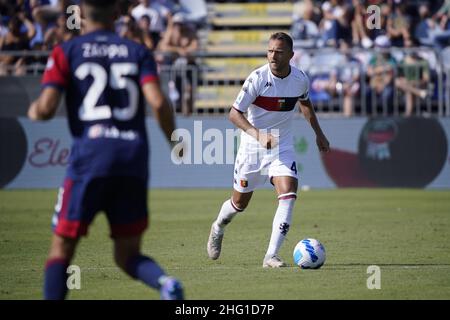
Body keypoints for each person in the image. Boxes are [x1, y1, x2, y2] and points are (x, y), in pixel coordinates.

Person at [27, 0, 183, 300]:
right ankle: (165, 284)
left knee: (62, 248)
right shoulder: (138, 52)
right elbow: (159, 102)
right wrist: (175, 141)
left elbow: (46, 108)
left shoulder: (67, 51)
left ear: (82, 14)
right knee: (127, 254)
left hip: (89, 158)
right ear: (117, 15)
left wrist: (34, 111)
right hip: (132, 158)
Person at [206, 32, 330, 268]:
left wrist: (319, 133)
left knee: (289, 193)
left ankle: (270, 255)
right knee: (239, 204)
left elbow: (305, 104)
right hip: (252, 147)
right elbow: (234, 113)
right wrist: (257, 135)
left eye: (279, 52)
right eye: (270, 50)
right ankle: (218, 227)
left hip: (281, 145)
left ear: (291, 56)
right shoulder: (257, 79)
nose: (273, 55)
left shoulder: (300, 79)